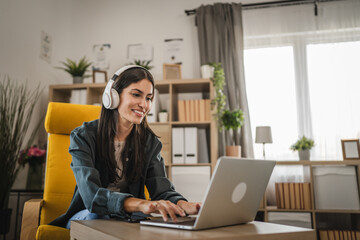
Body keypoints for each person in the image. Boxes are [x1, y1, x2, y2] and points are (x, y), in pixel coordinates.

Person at [49, 65, 201, 229]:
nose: (144, 104)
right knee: (98, 216)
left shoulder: (149, 143)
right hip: (88, 214)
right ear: (113, 96)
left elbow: (162, 190)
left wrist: (184, 204)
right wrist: (140, 204)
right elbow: (91, 196)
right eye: (136, 94)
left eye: (149, 98)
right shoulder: (83, 136)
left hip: (128, 217)